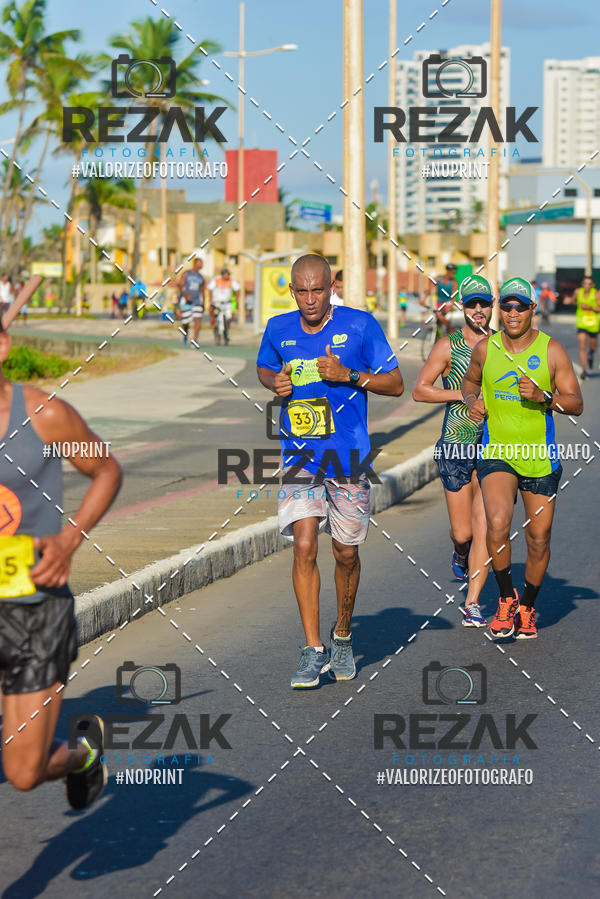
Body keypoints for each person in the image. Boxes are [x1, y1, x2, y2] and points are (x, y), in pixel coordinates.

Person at [0, 276, 123, 809]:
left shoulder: (44, 416)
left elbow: (106, 470)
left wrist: (69, 541)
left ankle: (82, 755)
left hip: (31, 612)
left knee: (24, 773)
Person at [256, 254, 404, 688]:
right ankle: (311, 649)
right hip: (299, 455)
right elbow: (266, 367)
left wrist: (349, 375)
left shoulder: (360, 325)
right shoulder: (278, 328)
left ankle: (342, 636)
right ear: (291, 290)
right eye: (300, 291)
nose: (309, 299)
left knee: (345, 553)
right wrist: (274, 383)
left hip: (348, 457)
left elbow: (395, 383)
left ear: (331, 285)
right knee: (304, 544)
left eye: (317, 290)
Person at [461, 277, 583, 640]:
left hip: (540, 457)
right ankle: (504, 600)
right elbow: (470, 383)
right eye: (507, 306)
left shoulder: (552, 351)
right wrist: (472, 403)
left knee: (539, 538)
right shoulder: (486, 348)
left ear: (533, 309)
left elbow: (576, 402)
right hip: (497, 452)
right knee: (497, 523)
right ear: (501, 310)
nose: (512, 313)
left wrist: (545, 396)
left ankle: (527, 605)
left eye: (520, 306)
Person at [413, 275, 494, 626]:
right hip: (457, 445)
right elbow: (420, 390)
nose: (478, 310)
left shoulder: (502, 346)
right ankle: (460, 553)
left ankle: (473, 602)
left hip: (494, 446)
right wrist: (462, 395)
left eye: (484, 304)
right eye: (472, 304)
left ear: (492, 306)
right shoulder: (449, 346)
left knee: (487, 524)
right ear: (463, 306)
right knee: (464, 533)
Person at [574, 274, 599, 377]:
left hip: (593, 324)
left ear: (592, 285)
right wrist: (568, 301)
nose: (587, 286)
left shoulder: (596, 294)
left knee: (592, 347)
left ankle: (591, 355)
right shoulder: (578, 292)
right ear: (582, 284)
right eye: (585, 283)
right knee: (582, 346)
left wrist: (589, 307)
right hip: (582, 324)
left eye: (589, 284)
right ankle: (584, 370)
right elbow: (573, 300)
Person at [207, 268, 239, 346]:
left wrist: (236, 298)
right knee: (215, 315)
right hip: (217, 303)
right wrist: (210, 299)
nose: (227, 276)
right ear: (222, 274)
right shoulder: (216, 280)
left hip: (227, 303)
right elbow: (209, 289)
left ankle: (226, 334)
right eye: (226, 274)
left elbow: (238, 289)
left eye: (228, 274)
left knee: (228, 318)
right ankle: (216, 330)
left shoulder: (231, 281)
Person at [177, 258, 206, 342]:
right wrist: (185, 295)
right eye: (200, 263)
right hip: (186, 301)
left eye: (202, 263)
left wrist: (203, 303)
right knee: (185, 322)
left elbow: (203, 291)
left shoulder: (201, 277)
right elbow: (180, 286)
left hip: (197, 301)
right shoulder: (187, 274)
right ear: (195, 264)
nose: (202, 265)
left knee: (198, 319)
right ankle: (185, 334)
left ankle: (195, 340)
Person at [431, 263, 458, 335]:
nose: (454, 274)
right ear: (448, 271)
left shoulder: (454, 282)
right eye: (453, 273)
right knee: (438, 322)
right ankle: (438, 338)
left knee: (440, 316)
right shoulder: (438, 278)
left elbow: (454, 295)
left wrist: (451, 305)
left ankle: (450, 329)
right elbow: (430, 289)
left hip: (447, 303)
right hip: (439, 302)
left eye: (455, 273)